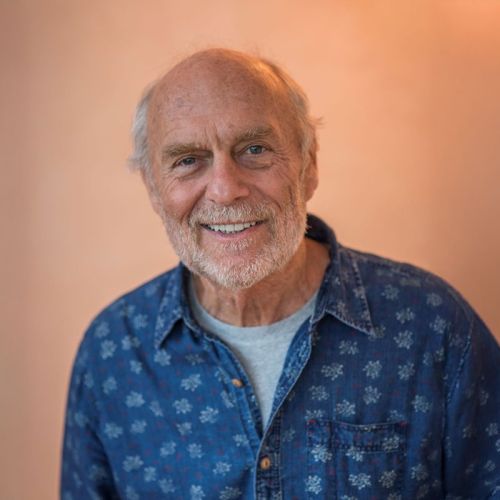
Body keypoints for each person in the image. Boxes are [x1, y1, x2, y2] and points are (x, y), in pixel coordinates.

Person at [61, 48, 500, 499]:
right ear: (154, 189)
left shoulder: (433, 328)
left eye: (255, 150)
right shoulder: (112, 354)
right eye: (188, 160)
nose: (225, 190)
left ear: (309, 165)